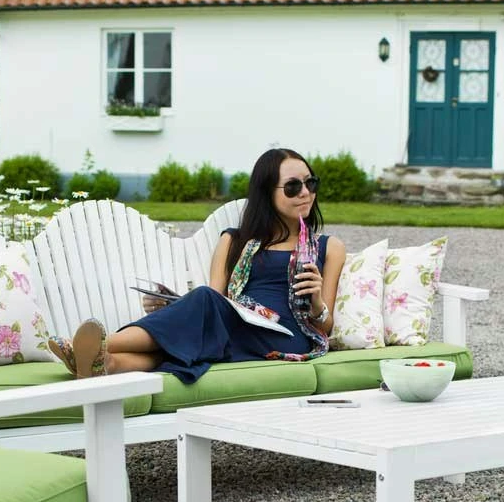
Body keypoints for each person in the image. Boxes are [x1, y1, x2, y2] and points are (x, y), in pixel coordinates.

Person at [49, 148, 347, 382]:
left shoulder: (327, 247)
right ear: (267, 193)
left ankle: (93, 345)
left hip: (288, 338)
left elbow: (326, 326)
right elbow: (219, 301)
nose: (305, 192)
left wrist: (317, 302)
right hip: (237, 327)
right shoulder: (234, 241)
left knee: (202, 303)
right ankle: (105, 364)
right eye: (293, 186)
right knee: (189, 335)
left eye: (310, 183)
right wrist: (173, 304)